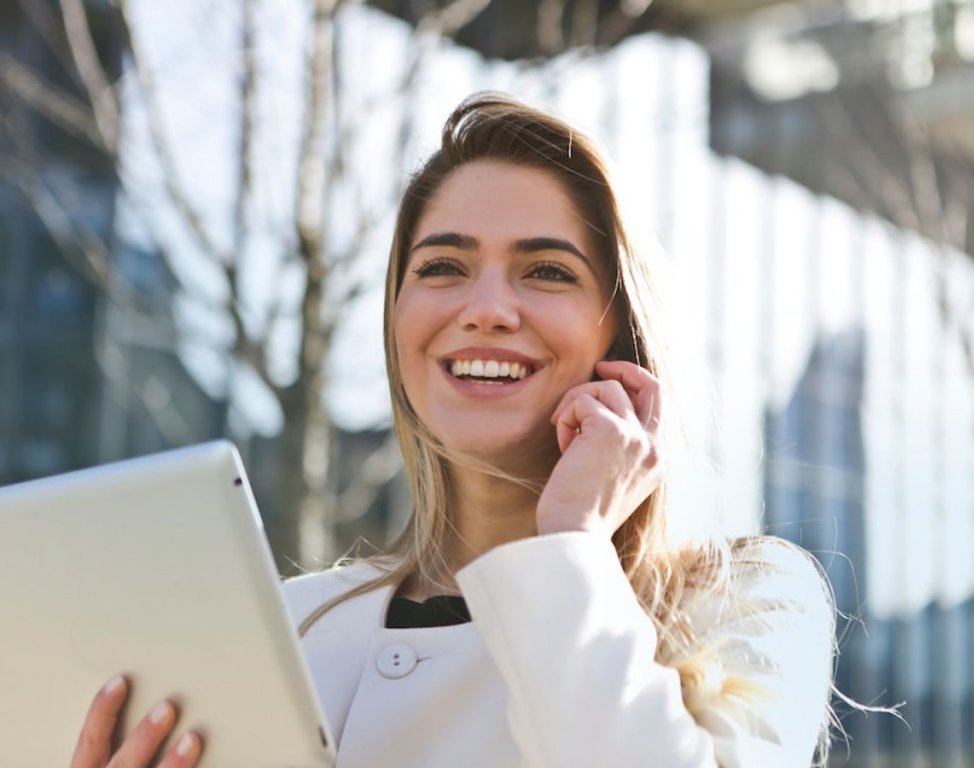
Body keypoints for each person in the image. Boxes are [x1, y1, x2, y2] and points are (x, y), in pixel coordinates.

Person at [71, 93, 836, 768]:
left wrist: (570, 542)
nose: (487, 309)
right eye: (442, 267)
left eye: (547, 271)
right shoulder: (289, 626)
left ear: (622, 336)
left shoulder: (750, 604)